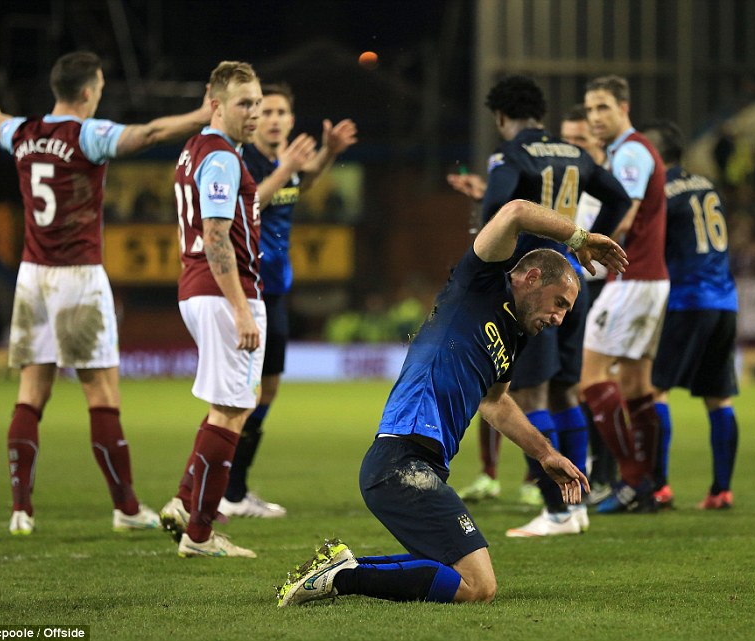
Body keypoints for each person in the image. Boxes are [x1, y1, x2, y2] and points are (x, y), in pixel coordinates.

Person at [275, 198, 628, 606]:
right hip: (400, 459)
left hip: (423, 466)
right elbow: (514, 212)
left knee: (447, 573)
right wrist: (579, 237)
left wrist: (544, 454)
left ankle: (339, 568)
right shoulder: (478, 281)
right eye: (560, 304)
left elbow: (495, 403)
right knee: (479, 587)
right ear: (532, 278)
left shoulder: (513, 337)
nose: (559, 319)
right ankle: (343, 579)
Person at [0, 48, 211, 536]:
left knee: (31, 393)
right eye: (98, 88)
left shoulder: (24, 132)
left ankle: (21, 510)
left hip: (33, 276)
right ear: (86, 92)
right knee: (101, 393)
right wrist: (203, 115)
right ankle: (125, 507)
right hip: (78, 277)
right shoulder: (88, 135)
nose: (100, 95)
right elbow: (149, 134)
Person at [448, 77, 631, 537]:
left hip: (533, 290)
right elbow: (619, 197)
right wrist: (583, 247)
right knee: (567, 392)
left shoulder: (513, 155)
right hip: (573, 282)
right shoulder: (575, 153)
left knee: (529, 396)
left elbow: (498, 206)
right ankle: (578, 505)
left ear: (501, 117)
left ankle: (557, 511)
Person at [219, 82, 357, 519]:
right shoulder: (243, 161)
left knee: (267, 389)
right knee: (238, 393)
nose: (275, 119)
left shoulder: (286, 164)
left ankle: (233, 490)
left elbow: (302, 181)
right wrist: (285, 169)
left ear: (292, 119)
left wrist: (328, 152)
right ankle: (223, 491)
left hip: (274, 288)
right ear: (254, 118)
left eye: (282, 112)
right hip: (245, 288)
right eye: (268, 111)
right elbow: (246, 206)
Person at [155, 61, 266, 558]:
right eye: (245, 103)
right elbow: (216, 236)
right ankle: (199, 535)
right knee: (234, 408)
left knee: (228, 406)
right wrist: (241, 310)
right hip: (222, 292)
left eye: (258, 104)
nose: (255, 113)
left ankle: (185, 503)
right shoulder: (220, 157)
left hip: (204, 290)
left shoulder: (196, 150)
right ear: (216, 104)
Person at [580, 75, 670, 514]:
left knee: (591, 379)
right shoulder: (625, 152)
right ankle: (647, 485)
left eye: (602, 108)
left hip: (631, 280)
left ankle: (632, 480)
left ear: (624, 108)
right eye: (589, 109)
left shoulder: (632, 152)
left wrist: (587, 246)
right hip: (648, 279)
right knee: (636, 385)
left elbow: (626, 209)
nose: (594, 117)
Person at [643, 120, 740, 510]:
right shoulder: (707, 185)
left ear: (655, 154)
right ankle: (721, 489)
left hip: (686, 301)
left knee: (654, 390)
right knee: (719, 398)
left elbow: (653, 247)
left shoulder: (662, 193)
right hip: (725, 302)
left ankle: (659, 485)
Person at [559, 104, 618, 506]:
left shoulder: (604, 191)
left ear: (596, 143)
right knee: (570, 387)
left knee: (589, 384)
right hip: (570, 291)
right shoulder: (566, 188)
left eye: (579, 140)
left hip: (601, 292)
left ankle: (608, 470)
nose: (572, 147)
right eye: (566, 140)